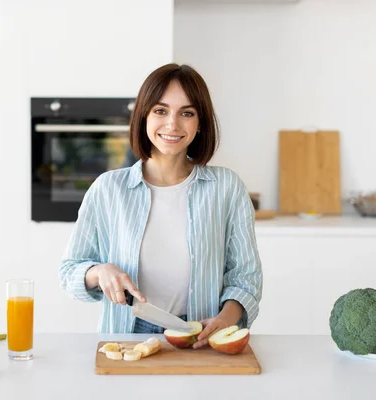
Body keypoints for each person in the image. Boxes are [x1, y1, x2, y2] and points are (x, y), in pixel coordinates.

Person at [59, 63, 263, 349]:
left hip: (201, 335)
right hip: (125, 336)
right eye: (160, 111)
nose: (172, 124)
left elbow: (245, 277)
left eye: (187, 113)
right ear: (143, 116)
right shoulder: (108, 189)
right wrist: (99, 271)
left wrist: (226, 319)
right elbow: (69, 271)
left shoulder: (227, 188)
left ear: (200, 122)